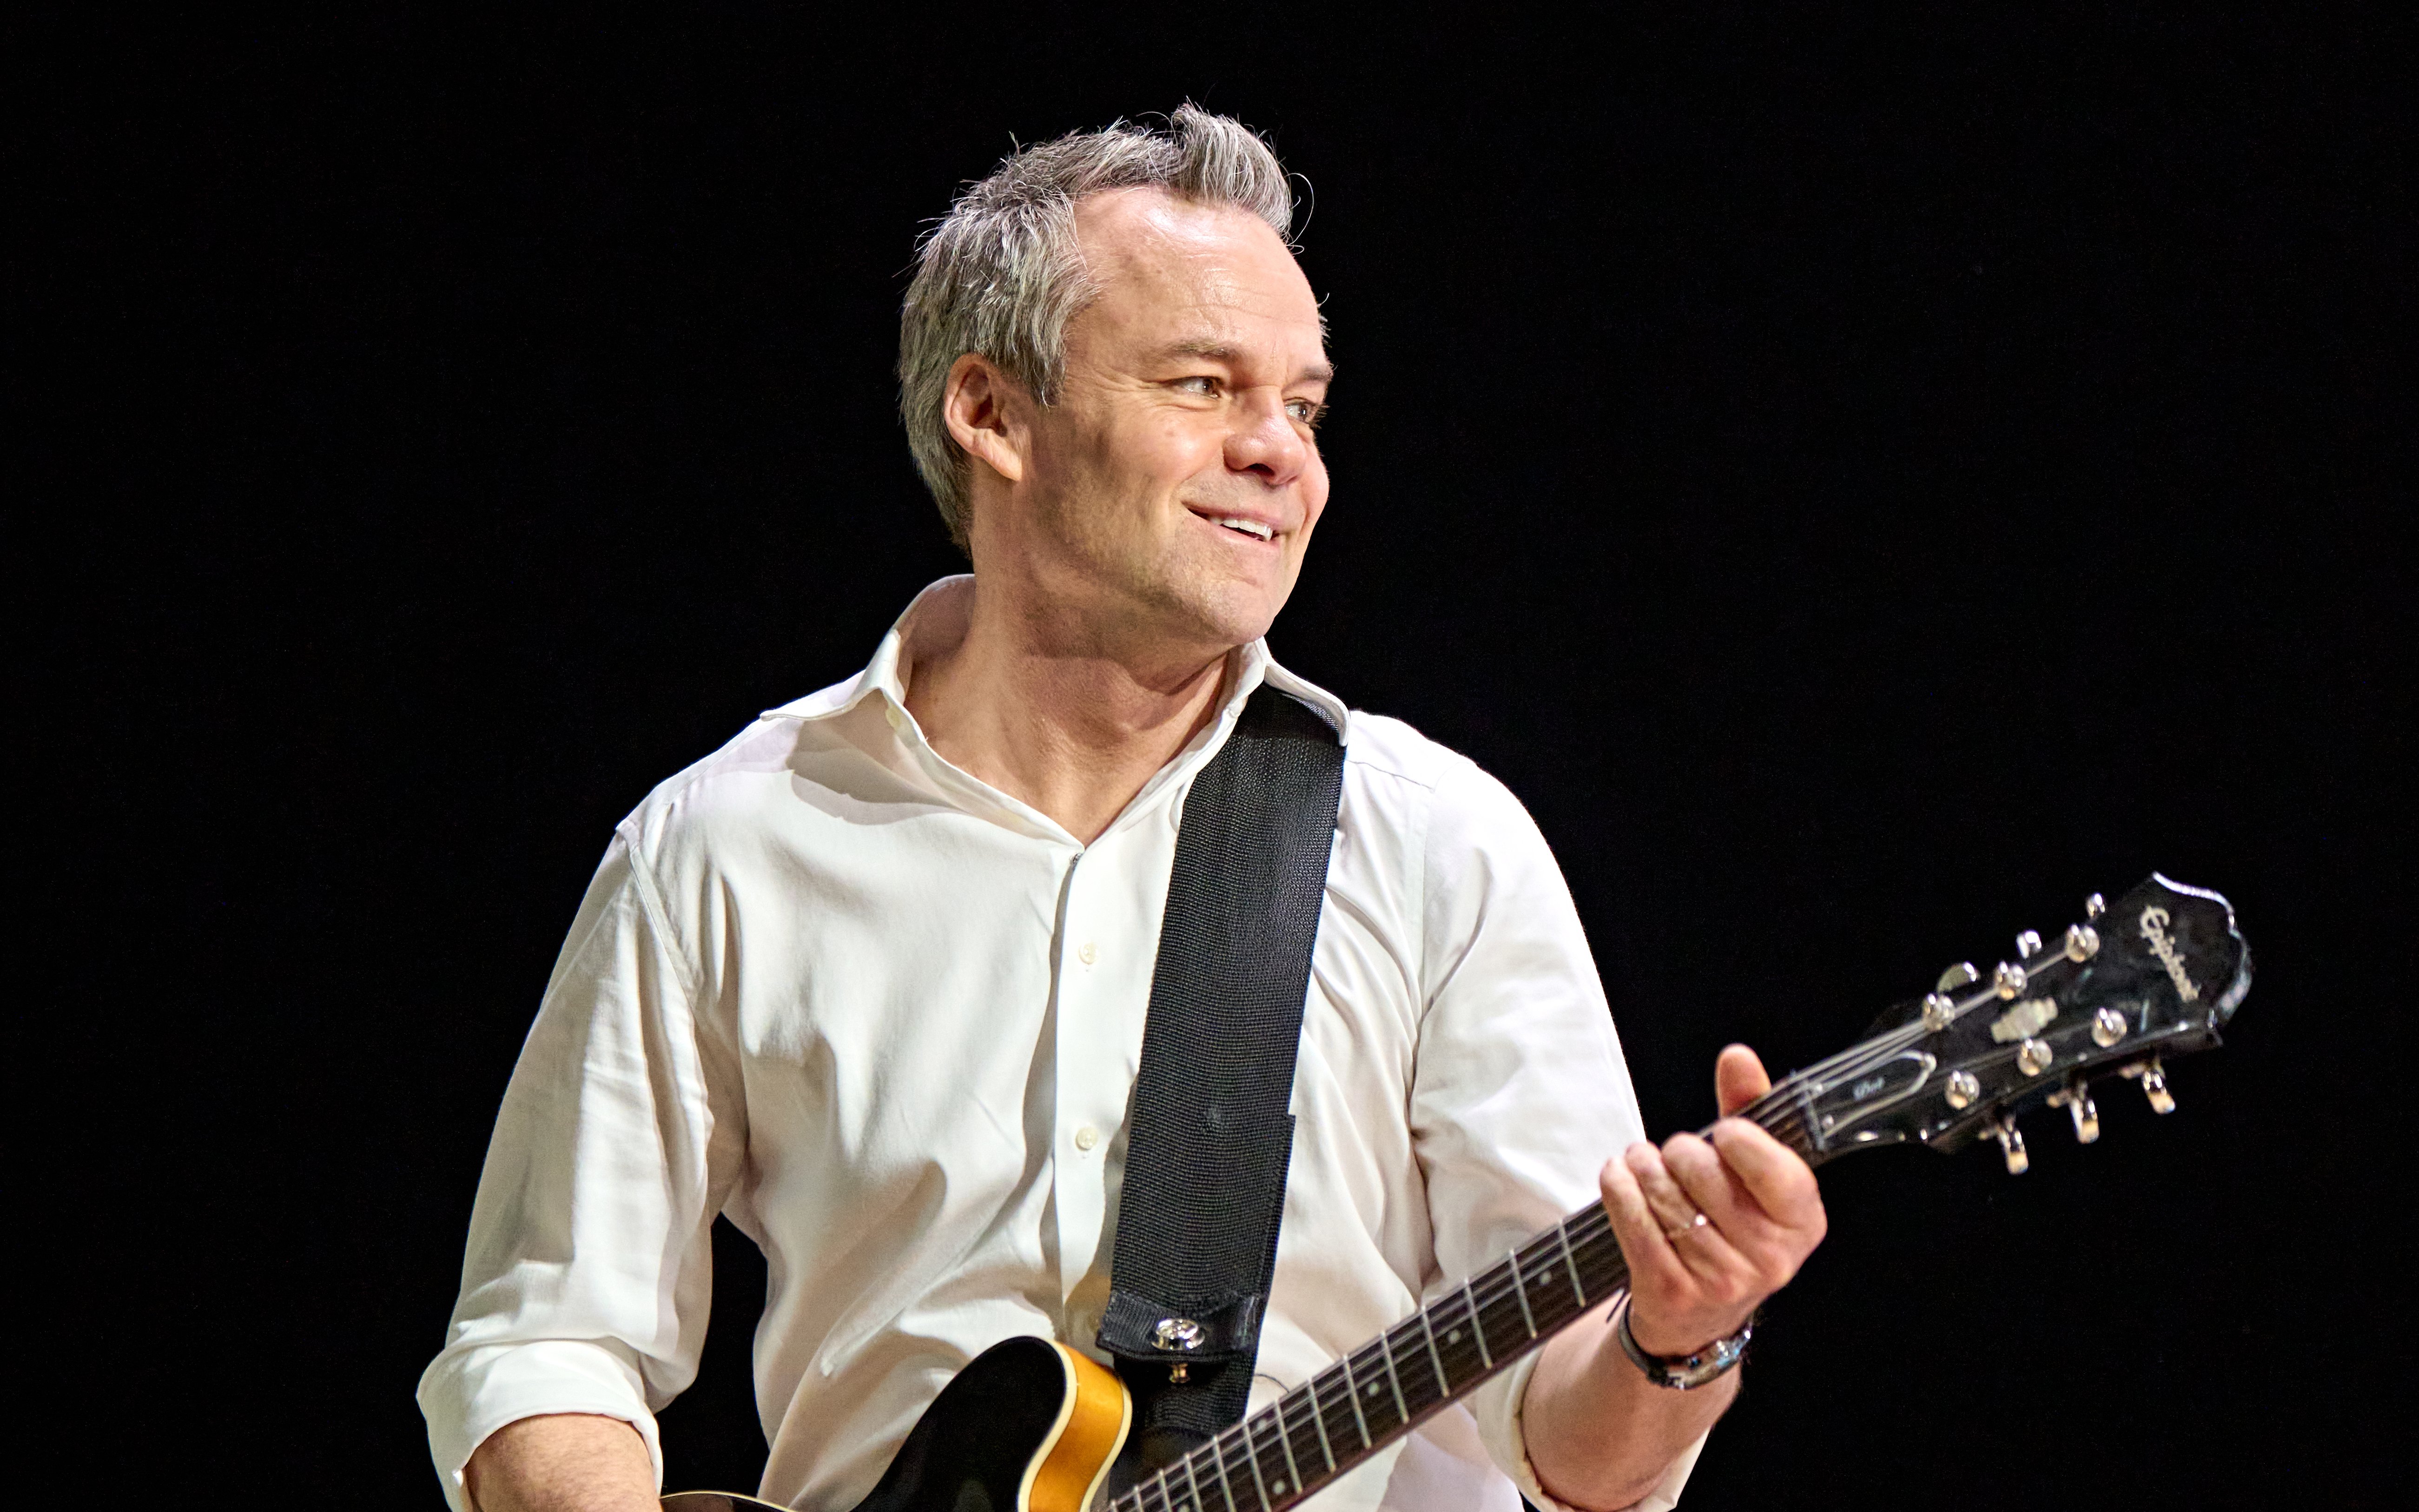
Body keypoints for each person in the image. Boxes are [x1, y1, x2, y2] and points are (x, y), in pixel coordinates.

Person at [418, 106, 1827, 1512]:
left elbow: (1577, 1451)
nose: (1282, 454)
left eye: (1304, 404)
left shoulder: (1432, 844)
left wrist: (1674, 1341)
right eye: (1205, 387)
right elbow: (546, 1346)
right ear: (991, 415)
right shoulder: (725, 845)